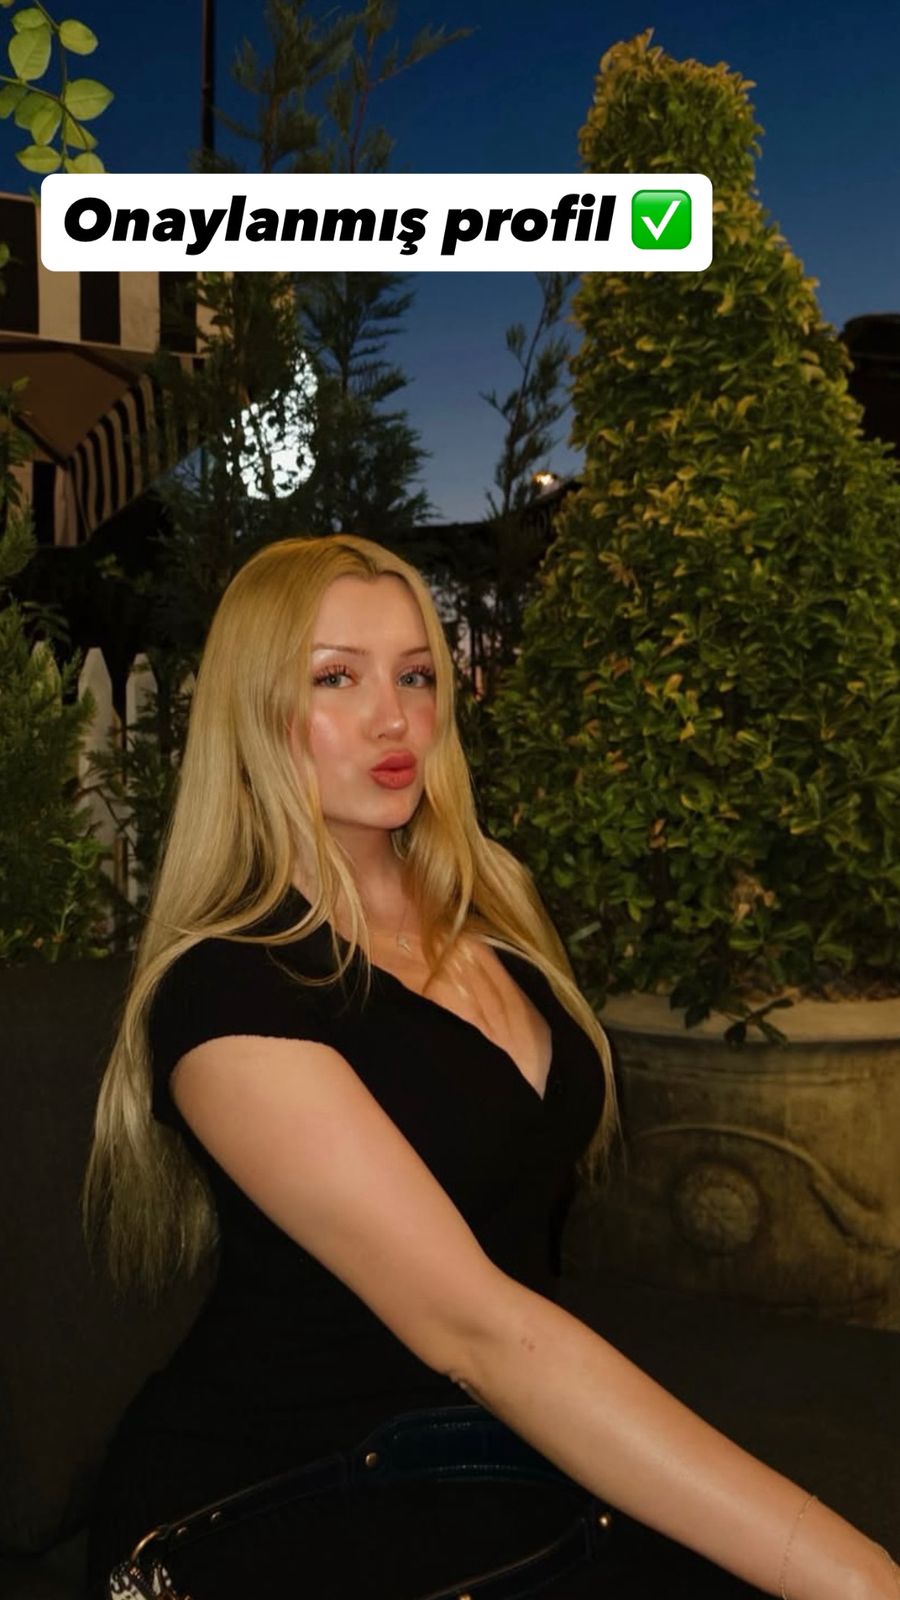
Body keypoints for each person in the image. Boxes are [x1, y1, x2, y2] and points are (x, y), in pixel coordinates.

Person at [84, 533, 898, 1600]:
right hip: (278, 1488)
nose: (394, 719)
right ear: (251, 710)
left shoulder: (489, 908)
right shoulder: (228, 993)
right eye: (336, 678)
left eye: (416, 675)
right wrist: (859, 1577)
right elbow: (476, 1328)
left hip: (492, 1446)